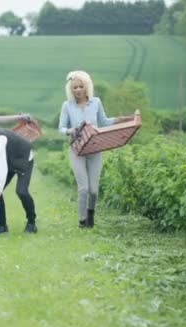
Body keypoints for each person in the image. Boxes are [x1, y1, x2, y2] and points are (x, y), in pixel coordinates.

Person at [58, 70, 136, 229]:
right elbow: (61, 128)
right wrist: (70, 130)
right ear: (70, 90)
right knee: (84, 188)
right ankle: (82, 221)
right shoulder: (67, 106)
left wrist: (125, 119)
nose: (78, 90)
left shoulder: (96, 102)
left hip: (95, 149)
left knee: (93, 190)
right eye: (75, 88)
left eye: (81, 87)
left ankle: (90, 213)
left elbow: (105, 122)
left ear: (87, 87)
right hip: (77, 150)